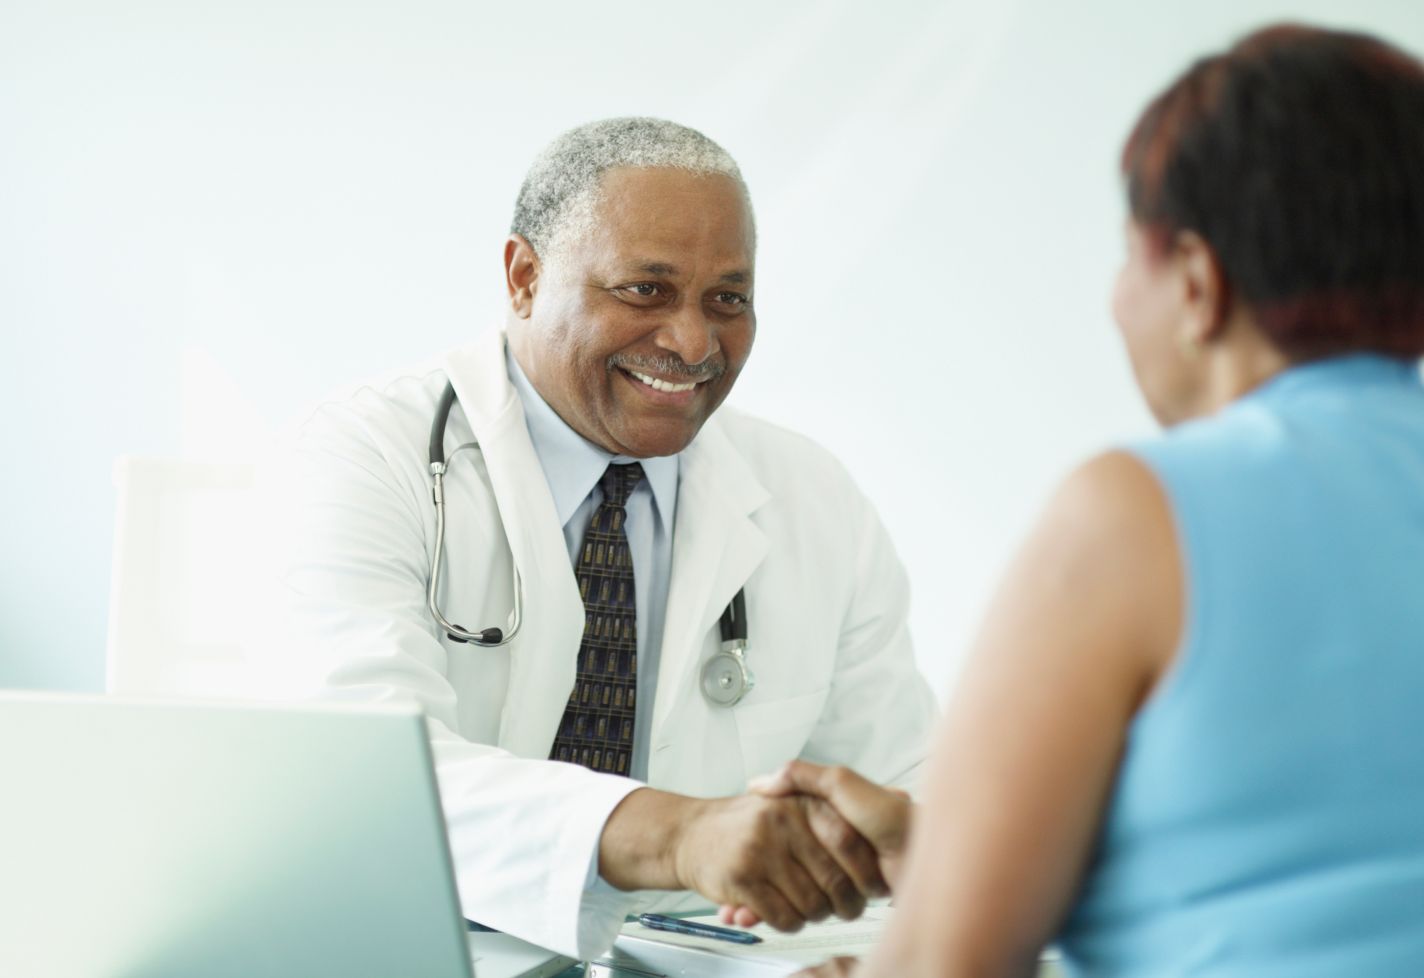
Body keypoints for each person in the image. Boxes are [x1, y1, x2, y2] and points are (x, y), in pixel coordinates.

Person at [768, 23, 1424, 978]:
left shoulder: (1138, 515)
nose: (1117, 296)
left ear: (1196, 281)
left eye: (1128, 257)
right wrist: (949, 853)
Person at [253, 117, 936, 960]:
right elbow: (366, 781)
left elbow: (897, 792)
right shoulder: (362, 456)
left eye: (727, 300)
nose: (692, 342)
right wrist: (680, 836)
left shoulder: (813, 498)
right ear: (525, 277)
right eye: (645, 290)